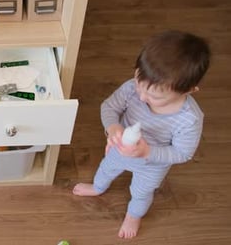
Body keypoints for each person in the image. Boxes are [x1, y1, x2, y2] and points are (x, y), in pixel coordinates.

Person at [72, 30, 211, 239]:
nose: (142, 96)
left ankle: (133, 215)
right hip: (120, 147)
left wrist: (147, 151)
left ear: (188, 91)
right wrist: (113, 128)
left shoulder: (189, 119)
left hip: (152, 164)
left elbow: (183, 153)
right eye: (139, 84)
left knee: (141, 193)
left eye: (154, 95)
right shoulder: (132, 89)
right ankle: (98, 187)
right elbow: (109, 107)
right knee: (106, 169)